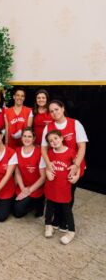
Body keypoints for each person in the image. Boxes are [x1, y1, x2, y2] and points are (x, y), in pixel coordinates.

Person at [41, 99, 88, 231]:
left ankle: (64, 221)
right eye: (51, 111)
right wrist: (49, 164)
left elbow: (82, 147)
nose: (54, 113)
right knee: (55, 192)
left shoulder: (75, 123)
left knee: (69, 194)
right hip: (57, 166)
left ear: (62, 109)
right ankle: (56, 219)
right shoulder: (48, 127)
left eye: (56, 109)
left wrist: (76, 165)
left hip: (73, 167)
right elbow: (44, 149)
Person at [43, 130, 79, 245]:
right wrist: (48, 173)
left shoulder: (71, 152)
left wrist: (76, 176)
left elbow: (78, 166)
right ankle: (48, 226)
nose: (53, 142)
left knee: (67, 210)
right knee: (49, 208)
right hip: (51, 186)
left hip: (64, 188)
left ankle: (71, 231)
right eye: (50, 141)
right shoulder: (49, 153)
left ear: (62, 138)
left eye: (55, 138)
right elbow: (46, 167)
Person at [13, 127, 46, 218]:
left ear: (34, 138)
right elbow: (17, 173)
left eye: (29, 136)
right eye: (24, 136)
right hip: (23, 186)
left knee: (18, 211)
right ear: (21, 137)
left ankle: (39, 202)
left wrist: (28, 191)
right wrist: (23, 188)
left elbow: (43, 177)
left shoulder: (40, 152)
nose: (27, 139)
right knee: (13, 209)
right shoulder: (17, 151)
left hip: (36, 188)